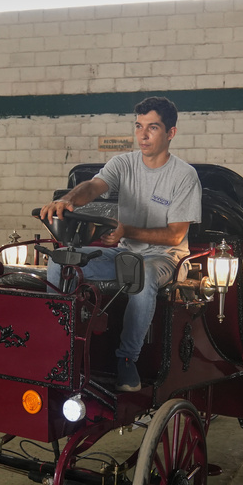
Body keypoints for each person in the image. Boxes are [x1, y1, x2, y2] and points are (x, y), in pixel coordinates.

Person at [40, 96, 202, 392]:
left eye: (152, 127)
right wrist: (67, 200)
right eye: (139, 126)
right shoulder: (123, 164)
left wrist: (127, 230)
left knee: (142, 273)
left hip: (166, 258)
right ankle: (60, 345)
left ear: (171, 133)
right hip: (126, 253)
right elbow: (92, 186)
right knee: (58, 260)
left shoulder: (184, 176)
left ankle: (127, 359)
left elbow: (175, 236)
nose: (143, 135)